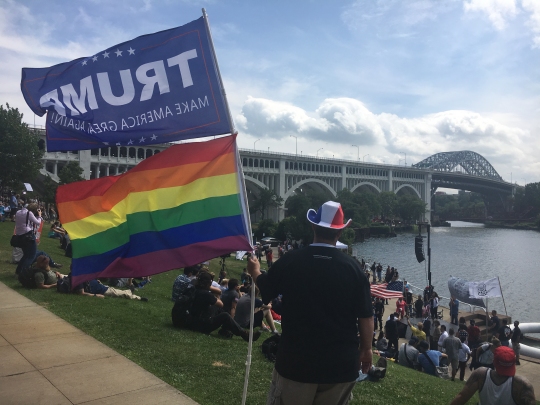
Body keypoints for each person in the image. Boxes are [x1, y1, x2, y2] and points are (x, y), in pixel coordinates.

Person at [247, 201, 373, 404]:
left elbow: (267, 288)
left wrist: (254, 272)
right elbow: (366, 316)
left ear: (313, 226)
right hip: (340, 367)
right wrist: (366, 349)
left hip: (296, 362)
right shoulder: (354, 269)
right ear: (339, 233)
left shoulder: (292, 260)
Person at [450, 346, 536, 405]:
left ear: (494, 361)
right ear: (513, 363)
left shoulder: (480, 374)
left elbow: (461, 397)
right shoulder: (523, 384)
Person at [189, 272, 259, 341]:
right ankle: (244, 334)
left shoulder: (193, 289)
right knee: (224, 314)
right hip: (202, 325)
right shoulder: (206, 294)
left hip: (193, 321)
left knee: (217, 309)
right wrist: (216, 294)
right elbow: (221, 304)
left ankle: (225, 329)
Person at [14, 202, 43, 276]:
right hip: (28, 235)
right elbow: (38, 223)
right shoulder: (29, 213)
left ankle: (19, 271)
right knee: (31, 256)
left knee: (26, 255)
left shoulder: (18, 212)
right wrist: (39, 216)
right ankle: (24, 273)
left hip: (20, 235)